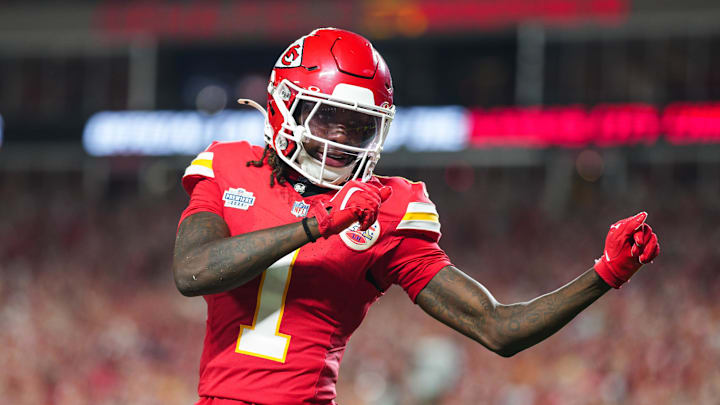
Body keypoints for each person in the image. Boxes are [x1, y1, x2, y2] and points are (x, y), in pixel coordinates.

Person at [173, 27, 660, 405]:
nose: (341, 140)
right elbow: (193, 270)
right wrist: (319, 223)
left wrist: (605, 273)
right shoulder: (230, 164)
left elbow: (498, 328)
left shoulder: (386, 210)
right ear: (286, 109)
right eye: (328, 119)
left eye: (359, 127)